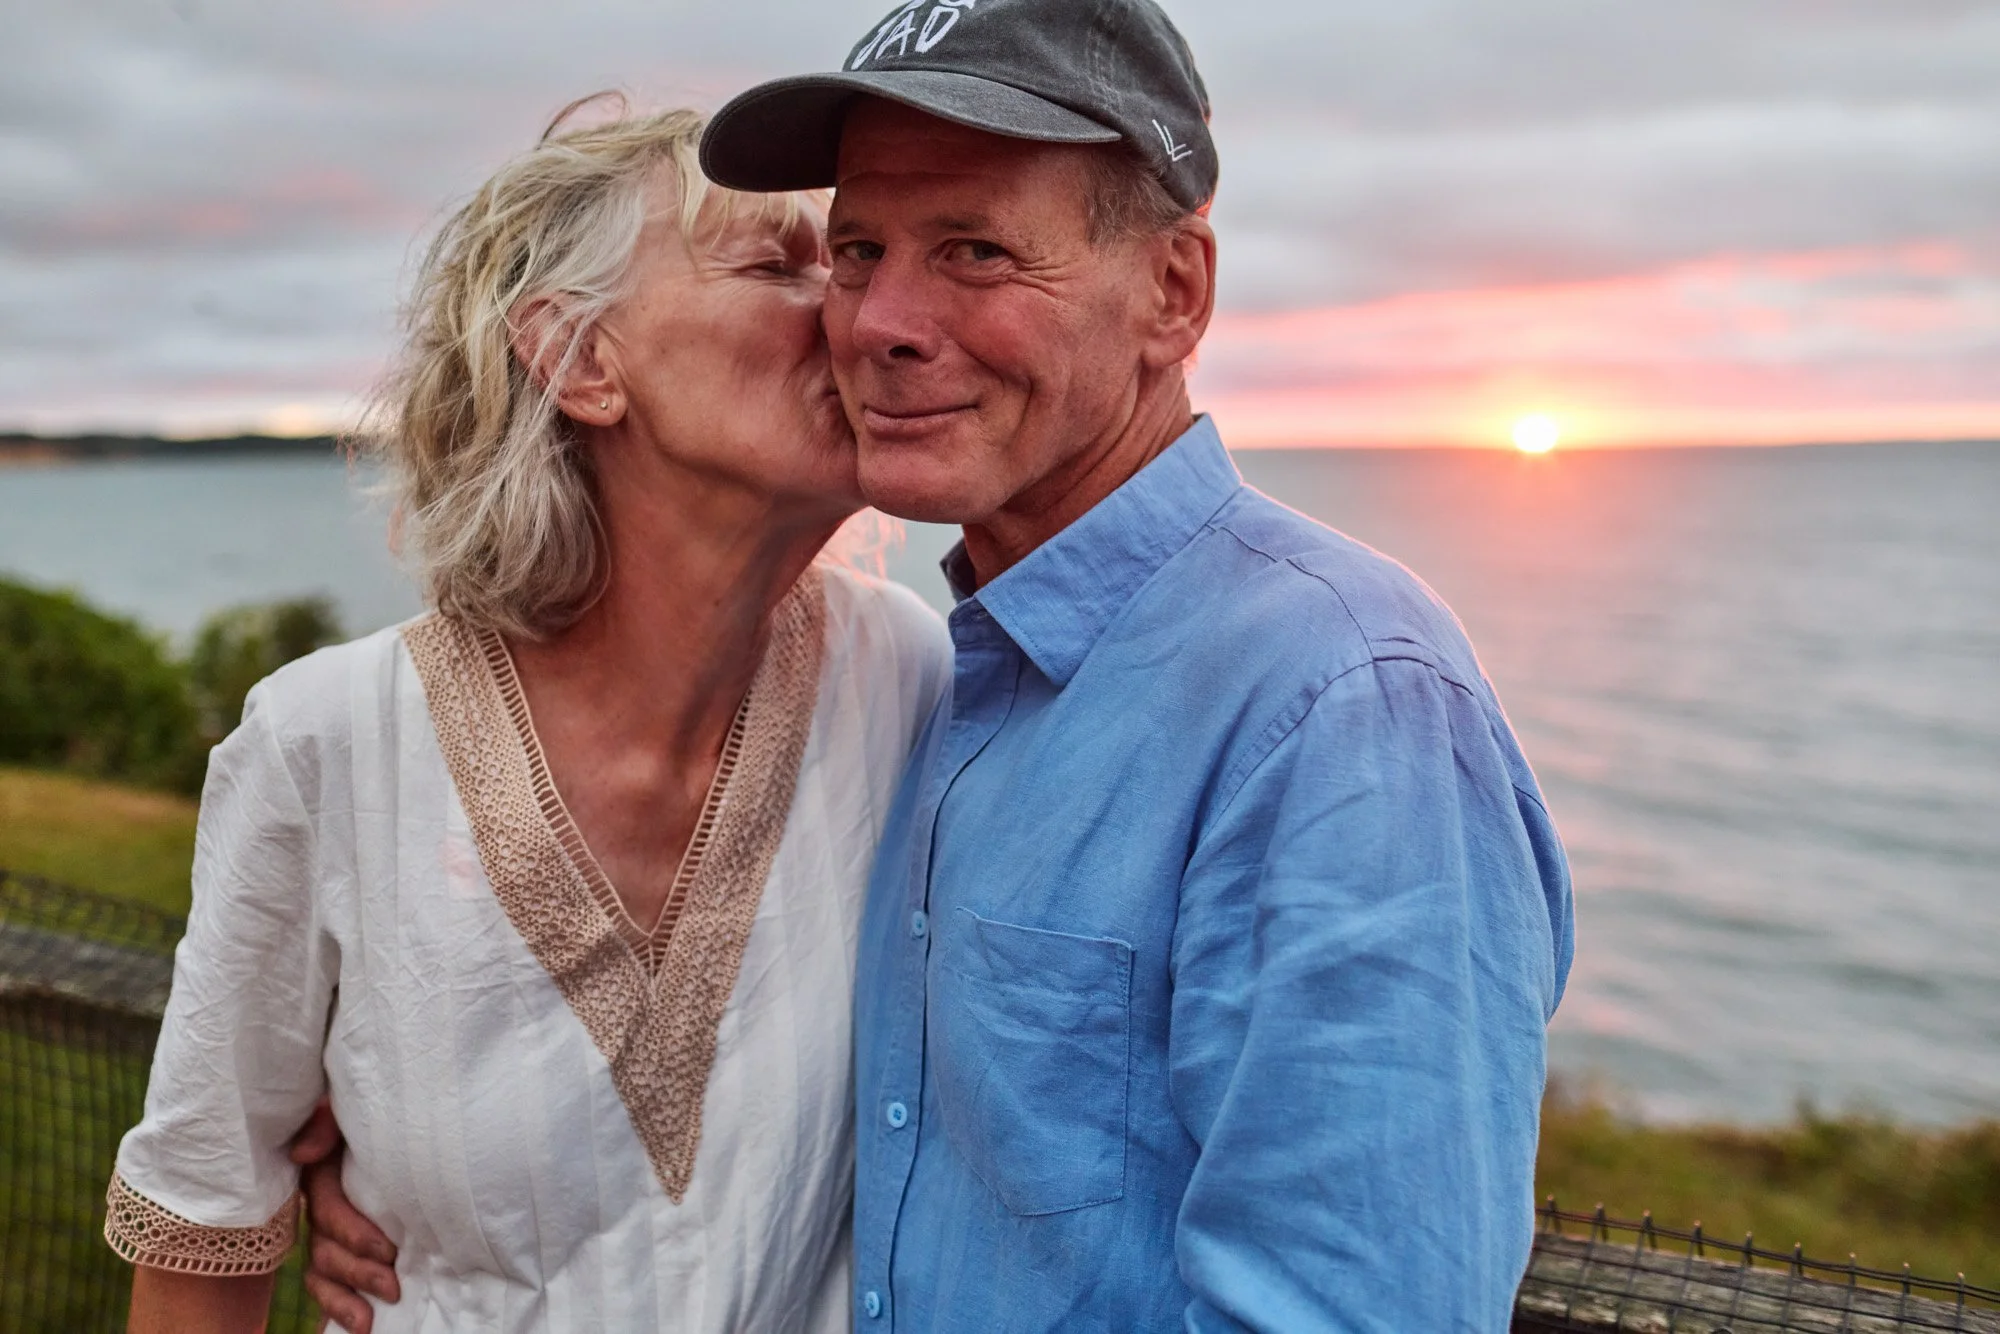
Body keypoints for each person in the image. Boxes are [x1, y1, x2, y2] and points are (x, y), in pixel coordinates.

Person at [310, 1, 1576, 1327]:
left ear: (1174, 293)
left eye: (975, 250)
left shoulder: (1340, 706)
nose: (879, 324)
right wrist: (403, 1133)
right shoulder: (931, 678)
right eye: (856, 250)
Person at [105, 101, 948, 1334]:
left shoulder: (912, 681)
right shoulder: (330, 746)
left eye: (849, 260)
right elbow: (202, 1234)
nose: (860, 310)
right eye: (780, 264)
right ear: (578, 358)